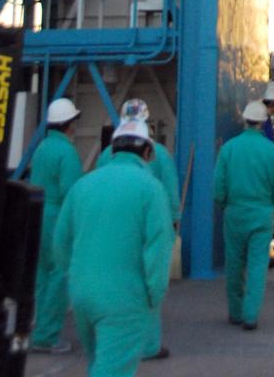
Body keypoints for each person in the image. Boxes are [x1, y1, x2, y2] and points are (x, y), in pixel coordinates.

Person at [53, 119, 174, 377]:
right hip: (125, 299)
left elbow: (61, 243)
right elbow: (158, 251)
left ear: (113, 150)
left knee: (99, 365)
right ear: (148, 152)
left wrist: (74, 281)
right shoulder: (151, 189)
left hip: (83, 295)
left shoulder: (83, 185)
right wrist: (153, 297)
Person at [96, 98, 180, 360]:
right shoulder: (159, 153)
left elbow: (99, 187)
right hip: (150, 225)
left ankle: (110, 337)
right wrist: (174, 220)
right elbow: (170, 189)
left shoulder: (106, 154)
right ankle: (149, 345)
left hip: (113, 226)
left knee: (113, 280)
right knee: (150, 282)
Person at [213, 100, 274, 330]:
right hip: (262, 214)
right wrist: (273, 207)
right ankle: (250, 316)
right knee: (257, 265)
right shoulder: (272, 152)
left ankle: (235, 312)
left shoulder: (229, 149)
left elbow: (218, 185)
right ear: (263, 123)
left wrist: (224, 204)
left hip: (235, 213)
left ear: (245, 121)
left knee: (234, 264)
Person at [30, 96, 83, 354]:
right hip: (58, 218)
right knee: (59, 275)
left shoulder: (42, 148)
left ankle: (38, 324)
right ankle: (47, 335)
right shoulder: (67, 153)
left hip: (38, 214)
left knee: (42, 274)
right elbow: (71, 193)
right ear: (69, 124)